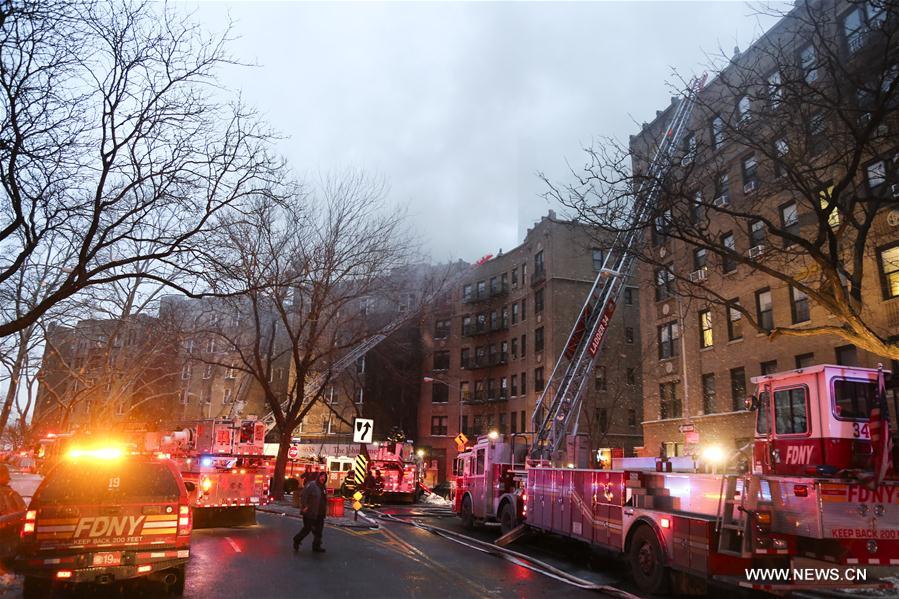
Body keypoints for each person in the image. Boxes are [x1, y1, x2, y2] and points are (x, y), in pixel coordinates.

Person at [293, 471, 327, 553]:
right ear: (318, 477)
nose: (323, 478)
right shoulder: (311, 485)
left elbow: (323, 499)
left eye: (325, 477)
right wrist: (304, 506)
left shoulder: (323, 487)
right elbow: (304, 495)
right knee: (307, 529)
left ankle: (316, 546)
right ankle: (297, 540)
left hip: (320, 513)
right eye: (322, 476)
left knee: (319, 531)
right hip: (310, 512)